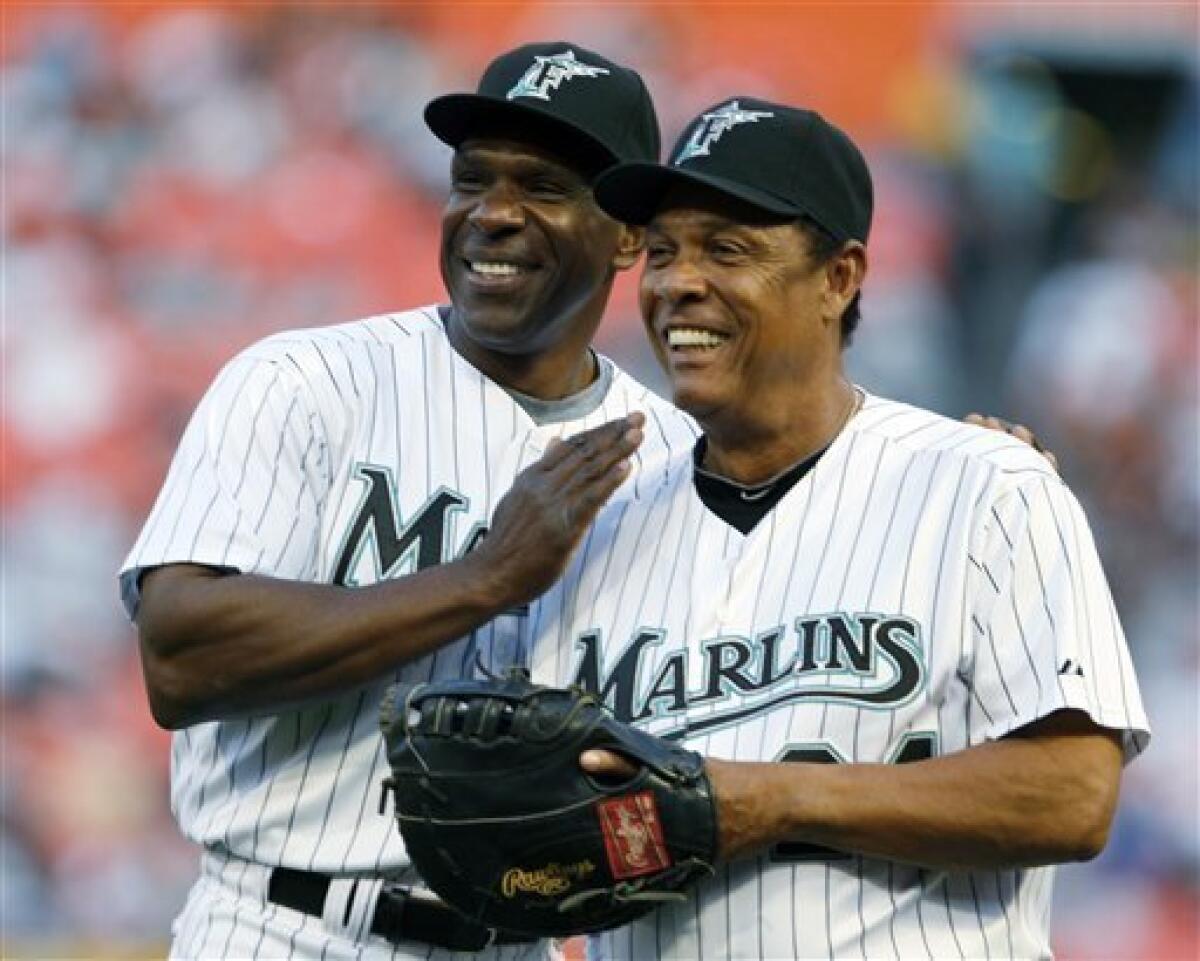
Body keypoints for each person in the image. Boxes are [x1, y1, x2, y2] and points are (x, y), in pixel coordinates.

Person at [524, 97, 1150, 960]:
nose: (677, 283)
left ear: (841, 276)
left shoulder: (985, 485)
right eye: (662, 251)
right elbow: (561, 837)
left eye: (727, 247)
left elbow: (1072, 794)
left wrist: (771, 798)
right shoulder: (599, 527)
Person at [118, 42, 695, 961]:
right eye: (471, 180)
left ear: (628, 234)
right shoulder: (305, 379)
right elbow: (182, 655)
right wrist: (485, 578)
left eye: (541, 186)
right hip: (284, 924)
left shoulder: (675, 458)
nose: (492, 214)